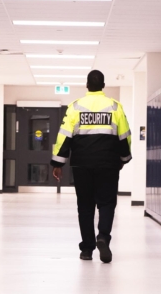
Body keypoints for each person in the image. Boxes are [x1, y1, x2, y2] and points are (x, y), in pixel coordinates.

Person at [50, 70, 132, 263]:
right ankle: (103, 236)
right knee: (107, 203)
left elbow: (63, 137)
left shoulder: (75, 107)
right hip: (108, 164)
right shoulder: (115, 107)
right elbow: (124, 136)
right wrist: (123, 158)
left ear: (87, 85)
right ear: (103, 86)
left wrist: (58, 163)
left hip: (82, 164)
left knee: (85, 206)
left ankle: (87, 249)